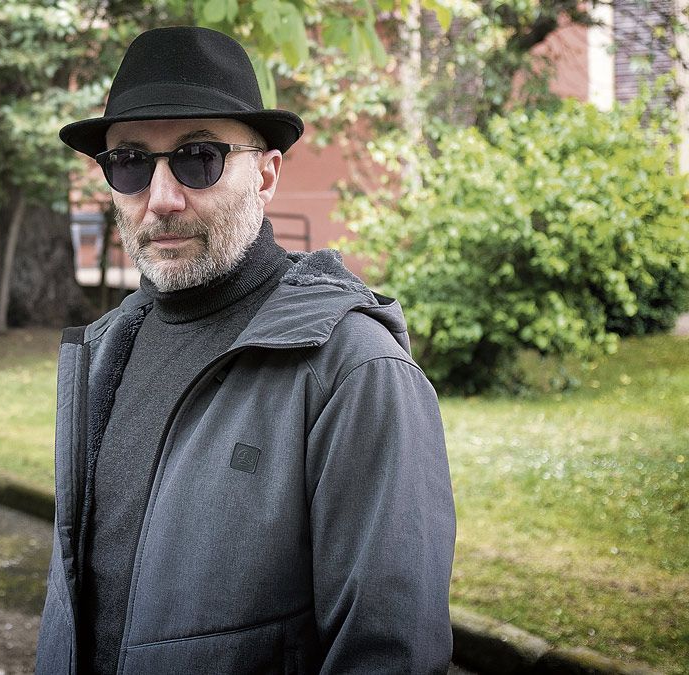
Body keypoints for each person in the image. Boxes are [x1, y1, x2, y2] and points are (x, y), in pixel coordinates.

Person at [35, 26, 456, 674]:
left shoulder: (354, 371)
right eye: (130, 162)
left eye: (198, 157)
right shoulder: (104, 353)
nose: (163, 197)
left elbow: (388, 655)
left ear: (266, 174)